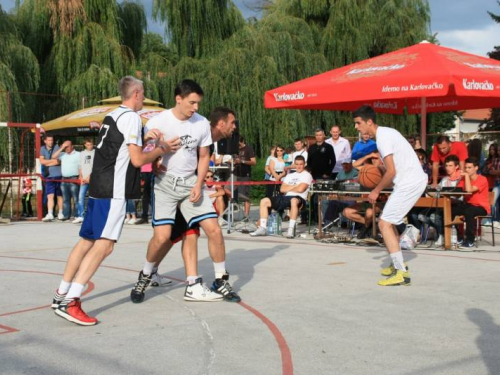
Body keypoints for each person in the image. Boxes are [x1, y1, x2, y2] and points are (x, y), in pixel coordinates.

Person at [51, 76, 173, 326]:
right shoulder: (131, 117)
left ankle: (61, 293)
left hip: (99, 185)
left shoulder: (113, 115)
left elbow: (119, 148)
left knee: (86, 241)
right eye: (143, 93)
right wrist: (163, 149)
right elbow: (138, 160)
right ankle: (71, 301)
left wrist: (146, 137)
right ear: (137, 94)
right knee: (105, 245)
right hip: (114, 190)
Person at [130, 81, 239, 304]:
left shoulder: (200, 124)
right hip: (165, 183)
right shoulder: (157, 121)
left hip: (190, 182)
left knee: (214, 230)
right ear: (178, 99)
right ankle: (146, 274)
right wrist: (153, 152)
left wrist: (199, 184)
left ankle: (220, 279)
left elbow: (203, 156)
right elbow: (142, 154)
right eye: (192, 103)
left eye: (198, 103)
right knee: (162, 238)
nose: (196, 108)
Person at [353, 105, 427, 286]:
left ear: (369, 122)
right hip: (409, 181)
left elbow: (392, 171)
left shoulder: (383, 138)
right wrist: (380, 170)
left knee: (384, 223)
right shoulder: (387, 133)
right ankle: (398, 265)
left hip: (410, 182)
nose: (356, 127)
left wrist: (376, 190)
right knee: (388, 221)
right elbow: (393, 167)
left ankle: (401, 272)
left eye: (358, 123)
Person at [250, 155, 312, 238]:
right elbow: (282, 189)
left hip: (300, 198)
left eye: (301, 164)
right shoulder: (290, 175)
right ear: (294, 164)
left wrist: (289, 187)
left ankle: (291, 229)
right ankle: (262, 228)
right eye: (297, 164)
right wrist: (295, 186)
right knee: (264, 201)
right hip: (286, 197)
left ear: (304, 164)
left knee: (293, 200)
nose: (299, 166)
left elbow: (300, 189)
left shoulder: (307, 175)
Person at [409, 155, 462, 247]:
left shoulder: (460, 179)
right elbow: (437, 192)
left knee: (433, 216)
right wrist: (428, 189)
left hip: (455, 206)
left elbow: (460, 197)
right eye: (446, 166)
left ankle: (442, 234)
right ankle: (438, 232)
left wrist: (442, 194)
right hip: (441, 205)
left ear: (456, 166)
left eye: (450, 166)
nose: (447, 168)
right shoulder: (444, 179)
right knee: (421, 216)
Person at [453, 157, 491, 247]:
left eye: (469, 168)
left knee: (469, 212)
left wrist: (465, 176)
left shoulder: (482, 179)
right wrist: (458, 180)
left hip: (481, 207)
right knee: (451, 210)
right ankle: (458, 237)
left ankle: (470, 239)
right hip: (468, 205)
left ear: (476, 168)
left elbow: (469, 190)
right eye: (466, 168)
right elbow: (457, 193)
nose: (467, 170)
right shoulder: (464, 179)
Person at [52, 140, 80, 220]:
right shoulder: (62, 154)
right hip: (64, 179)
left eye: (68, 146)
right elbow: (53, 156)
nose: (66, 148)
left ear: (72, 146)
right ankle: (66, 215)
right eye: (65, 147)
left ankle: (77, 215)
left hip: (74, 178)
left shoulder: (78, 154)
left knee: (76, 199)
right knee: (65, 199)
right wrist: (62, 147)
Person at [40, 135, 64, 221]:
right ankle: (50, 213)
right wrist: (52, 162)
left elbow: (59, 161)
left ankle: (60, 212)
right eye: (49, 140)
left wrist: (47, 162)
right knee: (50, 195)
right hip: (48, 176)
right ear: (45, 141)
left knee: (59, 195)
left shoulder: (57, 147)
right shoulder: (42, 149)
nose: (51, 142)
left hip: (58, 175)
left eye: (52, 140)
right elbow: (42, 161)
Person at [234, 136, 256, 218]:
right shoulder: (235, 149)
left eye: (239, 144)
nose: (238, 146)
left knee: (245, 195)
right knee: (233, 193)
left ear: (242, 141)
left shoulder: (248, 148)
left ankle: (246, 215)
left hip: (245, 174)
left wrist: (242, 161)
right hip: (236, 173)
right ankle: (232, 213)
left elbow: (254, 162)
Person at [73, 138, 94, 224]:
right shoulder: (82, 154)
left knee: (93, 197)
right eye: (88, 145)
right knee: (80, 197)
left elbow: (95, 167)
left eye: (91, 145)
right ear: (85, 145)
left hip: (93, 179)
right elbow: (80, 166)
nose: (89, 146)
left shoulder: (95, 153)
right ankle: (80, 215)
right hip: (83, 179)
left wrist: (89, 177)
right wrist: (81, 176)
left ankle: (93, 215)